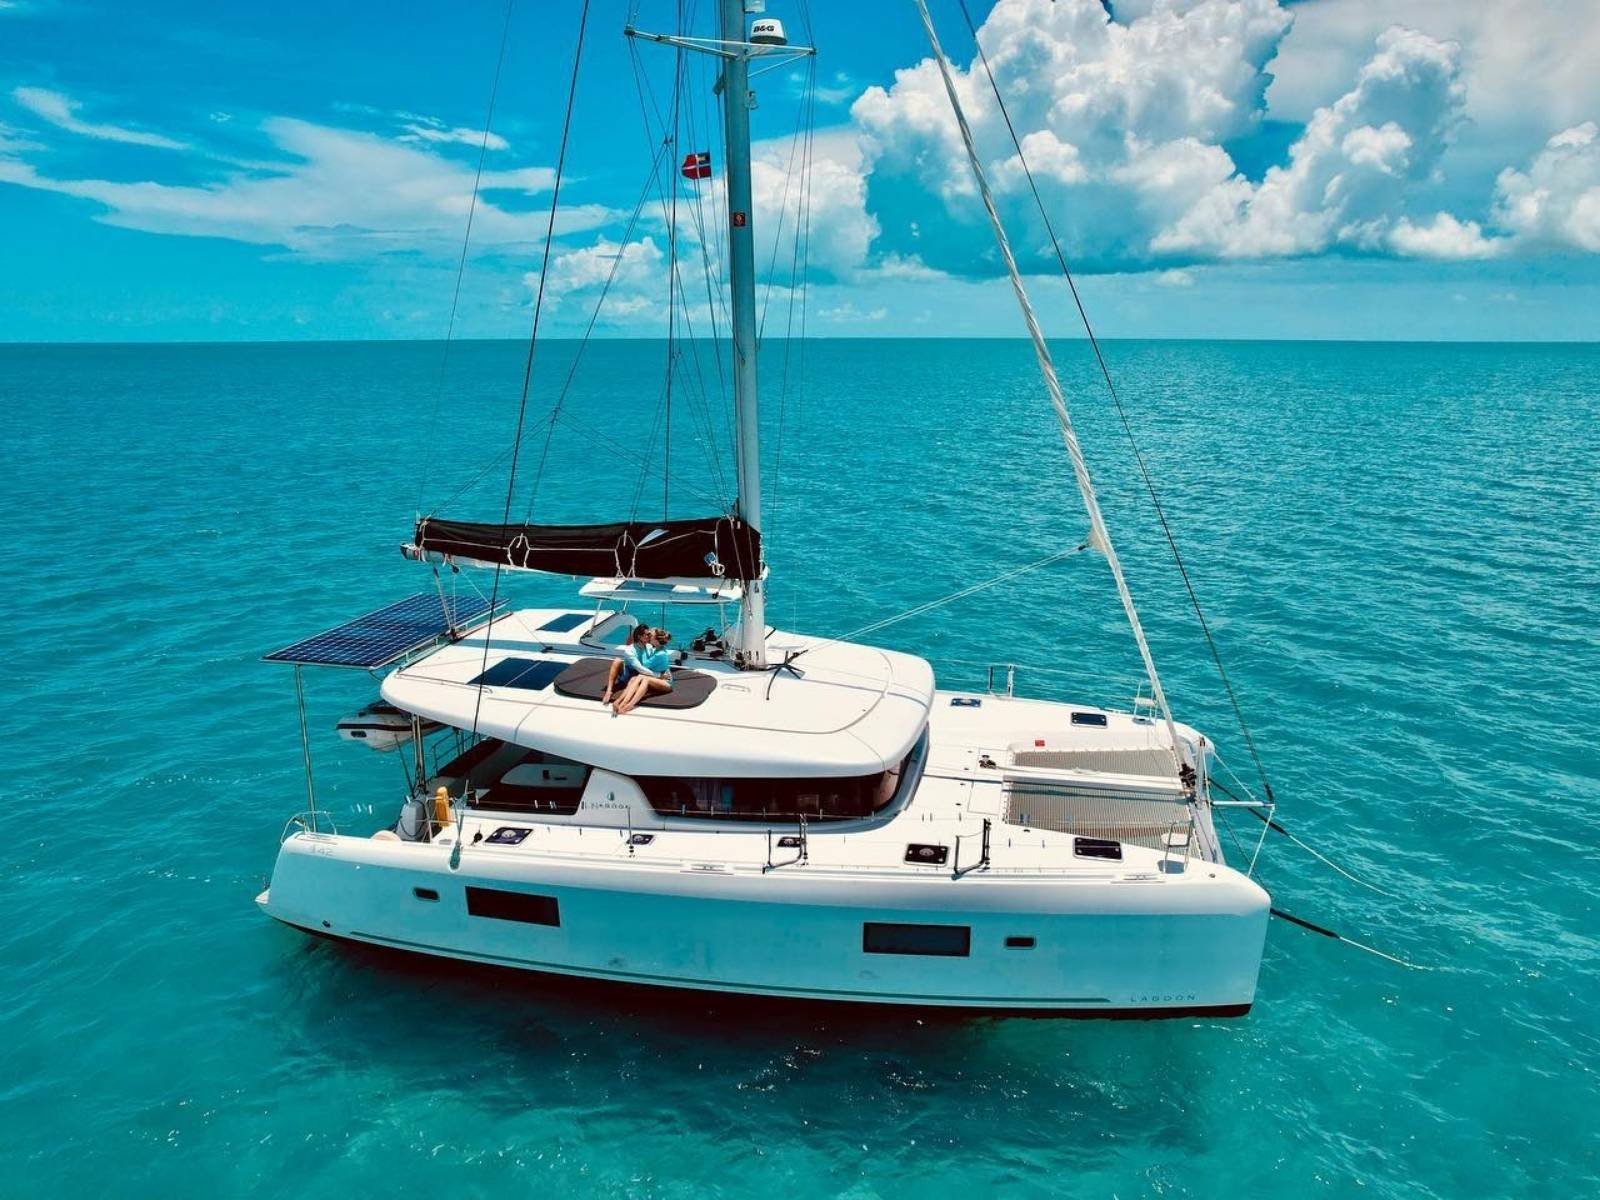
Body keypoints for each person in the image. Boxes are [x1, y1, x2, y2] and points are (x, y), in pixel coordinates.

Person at [613, 627, 675, 715]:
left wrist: (644, 648)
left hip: (666, 682)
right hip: (659, 677)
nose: (649, 637)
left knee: (645, 678)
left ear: (656, 641)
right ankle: (620, 701)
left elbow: (644, 665)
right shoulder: (656, 649)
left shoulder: (660, 654)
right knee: (634, 679)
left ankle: (630, 704)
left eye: (651, 636)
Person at [601, 625, 655, 708]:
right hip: (629, 675)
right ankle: (609, 690)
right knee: (617, 661)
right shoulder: (630, 650)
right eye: (647, 634)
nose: (649, 636)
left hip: (641, 675)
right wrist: (657, 675)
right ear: (639, 636)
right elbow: (639, 668)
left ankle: (623, 699)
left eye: (649, 634)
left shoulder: (649, 647)